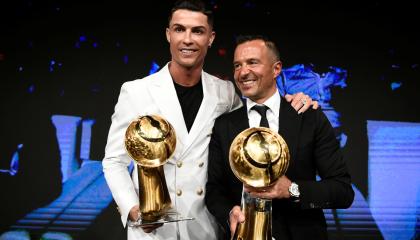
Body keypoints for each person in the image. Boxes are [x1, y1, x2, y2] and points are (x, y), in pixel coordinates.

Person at [102, 1, 316, 239]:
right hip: (153, 231)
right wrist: (132, 209)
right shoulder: (136, 91)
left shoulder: (226, 92)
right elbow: (113, 161)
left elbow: (259, 113)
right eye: (179, 29)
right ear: (168, 34)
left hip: (206, 228)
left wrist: (295, 99)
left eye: (198, 31)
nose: (187, 39)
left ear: (210, 38)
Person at [205, 35, 355, 240]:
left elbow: (342, 191)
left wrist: (292, 190)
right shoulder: (224, 125)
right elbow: (214, 190)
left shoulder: (308, 117)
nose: (243, 72)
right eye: (237, 65)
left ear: (276, 69)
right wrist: (229, 213)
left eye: (252, 62)